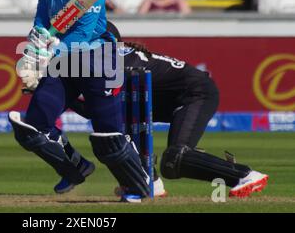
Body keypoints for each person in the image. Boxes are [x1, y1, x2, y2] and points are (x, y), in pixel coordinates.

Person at [9, 0, 152, 203]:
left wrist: (51, 51)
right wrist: (37, 41)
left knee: (107, 137)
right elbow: (41, 22)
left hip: (97, 62)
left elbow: (84, 34)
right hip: (63, 63)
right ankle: (75, 167)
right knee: (33, 127)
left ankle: (138, 185)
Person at [68, 21, 269, 198]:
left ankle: (245, 176)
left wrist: (64, 94)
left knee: (175, 159)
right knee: (122, 121)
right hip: (174, 98)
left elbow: (94, 108)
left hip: (197, 93)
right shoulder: (112, 58)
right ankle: (149, 180)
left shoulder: (115, 61)